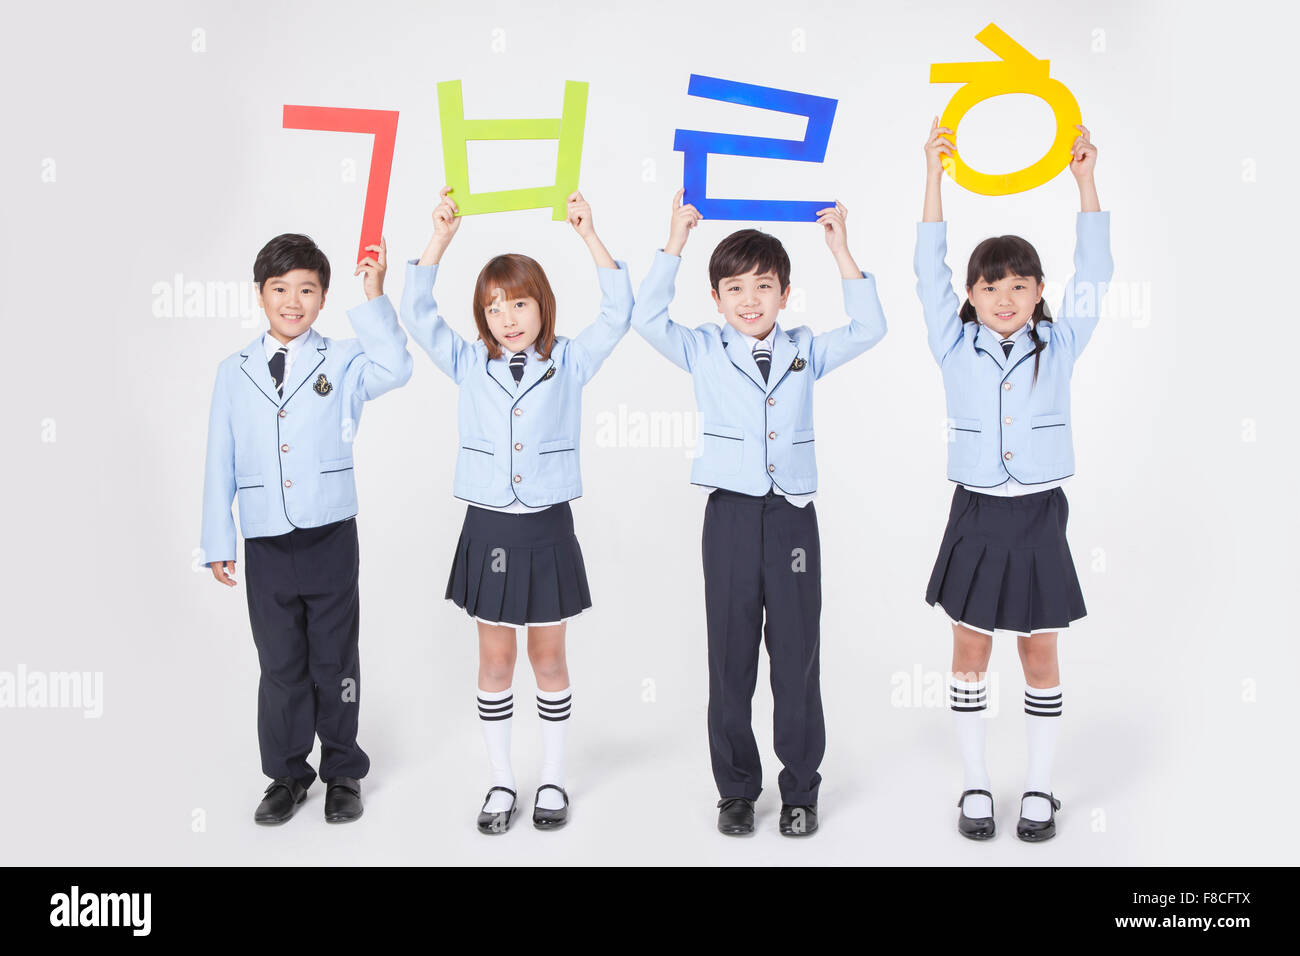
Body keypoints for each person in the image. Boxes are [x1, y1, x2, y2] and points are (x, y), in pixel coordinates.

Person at [630, 188, 888, 836]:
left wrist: (840, 250)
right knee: (731, 658)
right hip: (732, 519)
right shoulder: (702, 348)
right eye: (736, 288)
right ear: (715, 299)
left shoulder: (805, 348)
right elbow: (646, 318)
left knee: (797, 656)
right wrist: (676, 240)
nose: (750, 299)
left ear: (785, 292)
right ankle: (737, 790)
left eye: (764, 286)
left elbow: (870, 328)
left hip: (794, 517)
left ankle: (801, 789)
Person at [400, 186, 633, 833]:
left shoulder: (571, 362)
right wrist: (439, 239)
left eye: (520, 303)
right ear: (482, 314)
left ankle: (553, 776)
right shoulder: (469, 361)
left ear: (542, 307)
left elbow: (619, 312)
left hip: (548, 525)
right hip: (491, 525)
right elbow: (416, 314)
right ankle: (502, 781)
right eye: (494, 306)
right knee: (496, 660)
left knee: (550, 660)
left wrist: (588, 234)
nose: (507, 317)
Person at [916, 118, 1112, 841]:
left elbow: (1096, 275)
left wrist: (1084, 179)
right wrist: (933, 177)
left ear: (1036, 293)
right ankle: (975, 785)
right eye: (991, 284)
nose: (1004, 296)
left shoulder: (1058, 344)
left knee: (1039, 647)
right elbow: (923, 271)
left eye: (1019, 284)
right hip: (974, 513)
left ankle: (1037, 788)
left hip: (1037, 517)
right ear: (970, 293)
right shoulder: (952, 341)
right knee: (970, 649)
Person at [200, 233, 412, 824]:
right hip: (266, 538)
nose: (293, 301)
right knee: (280, 663)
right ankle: (287, 775)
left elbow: (397, 367)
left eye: (307, 290)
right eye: (280, 289)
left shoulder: (343, 359)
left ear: (323, 297)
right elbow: (220, 456)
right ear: (260, 294)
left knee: (335, 661)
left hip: (329, 535)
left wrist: (374, 297)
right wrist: (219, 538)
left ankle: (343, 768)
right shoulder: (233, 371)